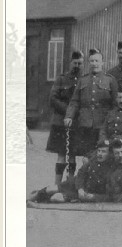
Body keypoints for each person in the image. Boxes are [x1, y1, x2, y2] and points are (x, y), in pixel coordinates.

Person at [64, 48, 118, 159]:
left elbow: (115, 103)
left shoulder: (110, 80)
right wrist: (69, 116)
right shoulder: (82, 80)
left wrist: (112, 121)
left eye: (97, 61)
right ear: (89, 63)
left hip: (103, 123)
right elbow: (74, 101)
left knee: (103, 155)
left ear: (102, 63)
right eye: (92, 61)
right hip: (86, 124)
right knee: (87, 156)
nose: (94, 64)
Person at [30, 138, 114, 204]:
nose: (99, 154)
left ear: (110, 154)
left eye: (103, 152)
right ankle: (31, 198)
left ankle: (42, 198)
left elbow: (109, 194)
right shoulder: (93, 159)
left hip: (85, 193)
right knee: (50, 189)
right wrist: (80, 188)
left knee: (56, 198)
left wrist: (93, 197)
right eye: (99, 151)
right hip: (75, 184)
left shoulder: (112, 168)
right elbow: (81, 173)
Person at [46, 49, 84, 185]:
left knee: (72, 155)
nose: (77, 66)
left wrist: (75, 113)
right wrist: (69, 111)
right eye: (75, 63)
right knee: (61, 154)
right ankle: (56, 184)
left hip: (76, 123)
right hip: (60, 122)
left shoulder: (84, 80)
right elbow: (53, 99)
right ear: (70, 63)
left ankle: (70, 183)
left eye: (80, 63)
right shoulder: (61, 79)